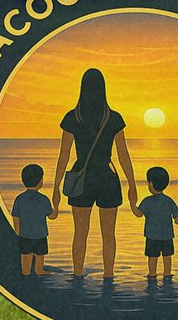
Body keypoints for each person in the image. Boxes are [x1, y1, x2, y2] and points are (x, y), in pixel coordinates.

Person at [51, 67, 138, 279]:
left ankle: (77, 275)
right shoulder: (113, 118)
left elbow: (63, 156)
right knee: (109, 234)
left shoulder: (73, 117)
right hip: (107, 178)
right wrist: (133, 185)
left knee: (80, 233)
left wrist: (55, 188)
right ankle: (109, 276)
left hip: (81, 179)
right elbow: (123, 155)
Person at [132, 166, 178, 282]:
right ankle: (167, 275)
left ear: (151, 184)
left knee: (152, 257)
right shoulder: (169, 201)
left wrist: (132, 204)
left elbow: (138, 214)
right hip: (167, 236)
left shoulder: (147, 201)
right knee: (167, 257)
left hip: (152, 236)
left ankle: (152, 275)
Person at [11, 162, 57, 277]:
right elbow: (52, 216)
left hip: (25, 235)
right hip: (40, 235)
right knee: (40, 256)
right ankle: (39, 270)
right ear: (40, 181)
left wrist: (18, 233)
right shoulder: (43, 199)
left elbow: (16, 218)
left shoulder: (19, 199)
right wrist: (56, 206)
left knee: (25, 257)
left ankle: (26, 273)